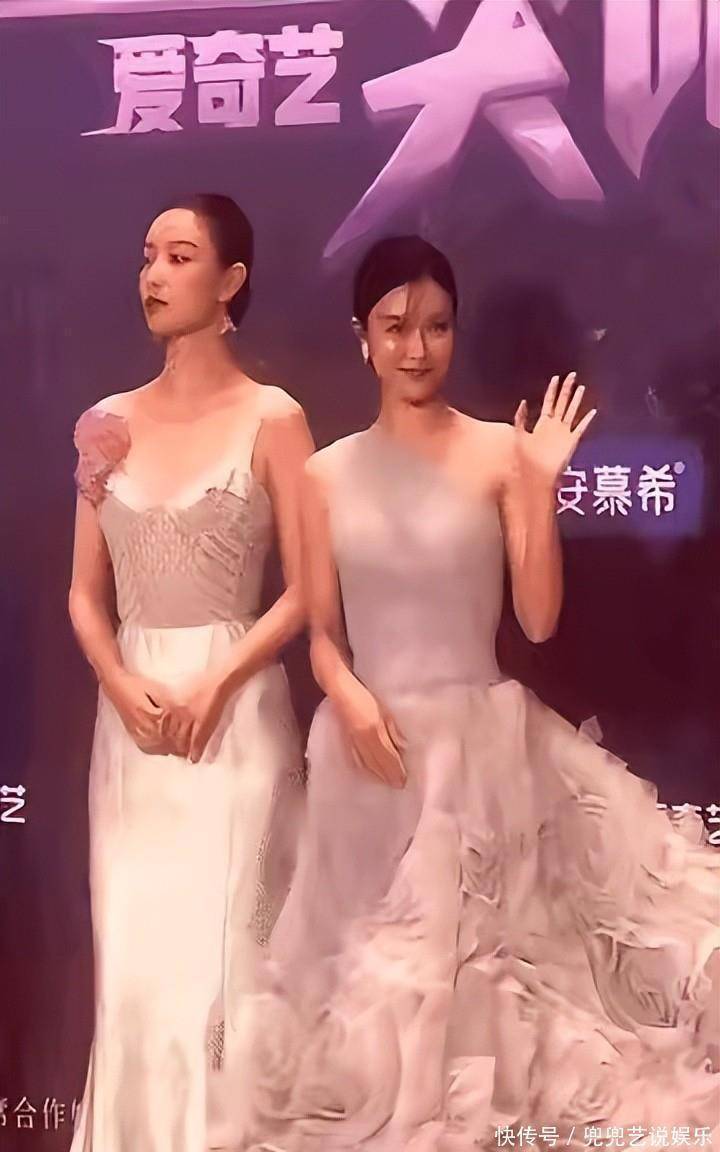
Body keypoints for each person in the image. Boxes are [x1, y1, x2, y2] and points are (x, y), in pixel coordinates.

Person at [246, 236, 720, 1151]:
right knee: (367, 1006)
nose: (416, 347)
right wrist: (347, 695)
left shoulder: (501, 451)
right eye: (395, 327)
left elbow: (537, 621)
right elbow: (321, 633)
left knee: (498, 997)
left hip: (484, 753)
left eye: (436, 326)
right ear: (361, 337)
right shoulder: (324, 473)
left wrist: (539, 486)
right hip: (370, 757)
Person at [68, 193, 313, 1151]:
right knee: (136, 969)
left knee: (231, 969)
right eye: (148, 257)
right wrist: (116, 678)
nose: (154, 276)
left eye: (179, 257)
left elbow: (307, 593)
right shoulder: (105, 424)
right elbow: (82, 594)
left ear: (231, 282)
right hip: (132, 728)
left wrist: (221, 679)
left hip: (236, 714)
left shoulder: (274, 417)